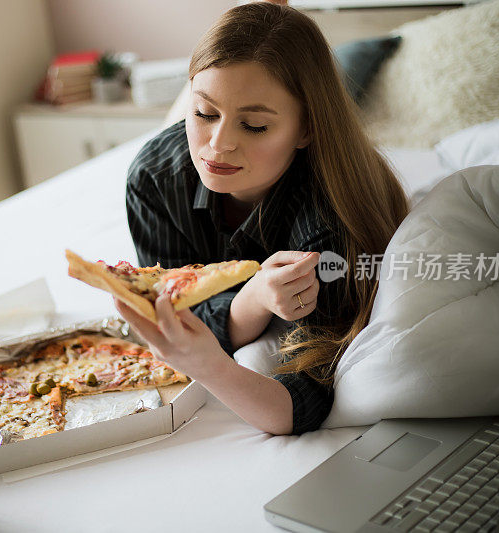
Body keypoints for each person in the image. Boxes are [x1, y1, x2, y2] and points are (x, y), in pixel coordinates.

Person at [118, 2, 409, 435]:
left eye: (253, 125)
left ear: (306, 128)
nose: (217, 145)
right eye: (203, 113)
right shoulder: (156, 178)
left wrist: (208, 363)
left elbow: (307, 401)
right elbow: (176, 309)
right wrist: (249, 303)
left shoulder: (327, 224)